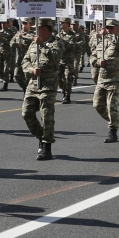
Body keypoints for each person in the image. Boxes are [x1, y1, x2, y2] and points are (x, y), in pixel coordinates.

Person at [21, 18, 62, 161]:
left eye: (36, 28)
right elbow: (25, 61)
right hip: (33, 84)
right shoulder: (33, 43)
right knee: (26, 114)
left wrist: (43, 45)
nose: (34, 31)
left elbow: (55, 58)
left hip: (48, 85)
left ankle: (46, 146)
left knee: (47, 116)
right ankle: (41, 136)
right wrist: (32, 70)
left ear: (44, 29)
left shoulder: (56, 42)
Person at [92, 18, 119, 143]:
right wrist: (97, 62)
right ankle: (114, 119)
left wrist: (110, 36)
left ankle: (113, 131)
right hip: (102, 78)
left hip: (114, 78)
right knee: (97, 105)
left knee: (111, 105)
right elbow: (93, 56)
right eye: (107, 27)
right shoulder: (102, 41)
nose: (108, 30)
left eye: (111, 27)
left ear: (118, 28)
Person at [57, 17, 82, 103]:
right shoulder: (58, 34)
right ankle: (63, 89)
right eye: (61, 23)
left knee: (68, 78)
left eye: (63, 23)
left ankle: (67, 95)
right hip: (59, 60)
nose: (61, 25)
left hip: (68, 61)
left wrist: (61, 40)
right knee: (58, 78)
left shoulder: (72, 35)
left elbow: (70, 46)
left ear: (68, 24)